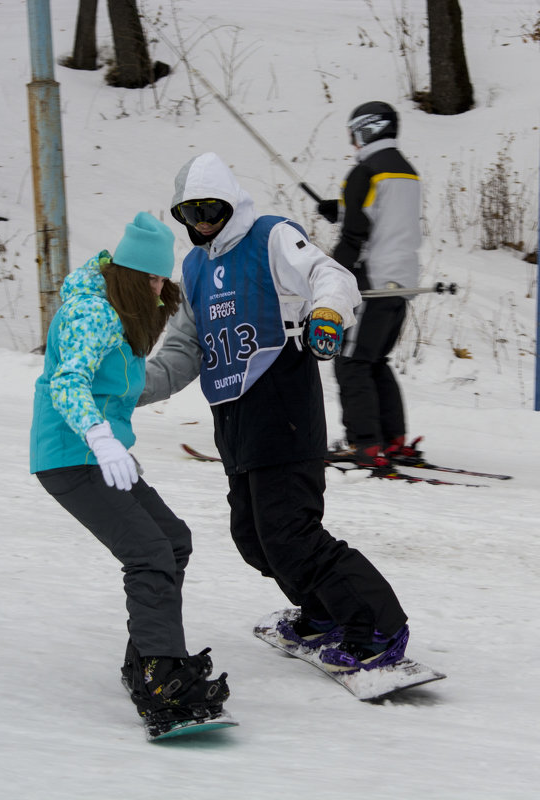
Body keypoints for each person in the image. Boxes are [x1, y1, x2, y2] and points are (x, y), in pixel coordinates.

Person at [137, 152, 410, 672]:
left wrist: (326, 311)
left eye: (211, 209)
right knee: (254, 537)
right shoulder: (194, 267)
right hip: (232, 418)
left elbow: (331, 276)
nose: (202, 222)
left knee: (291, 531)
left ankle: (378, 626)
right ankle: (324, 612)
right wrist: (131, 388)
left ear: (229, 202)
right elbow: (183, 349)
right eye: (190, 214)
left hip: (281, 397)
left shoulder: (270, 236)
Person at [29, 211, 229, 722]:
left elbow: (113, 389)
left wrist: (113, 442)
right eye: (154, 278)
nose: (161, 289)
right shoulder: (91, 312)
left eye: (164, 278)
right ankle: (160, 682)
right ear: (132, 275)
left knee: (173, 541)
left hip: (102, 456)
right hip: (72, 456)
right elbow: (67, 382)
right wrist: (100, 438)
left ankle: (146, 660)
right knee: (148, 554)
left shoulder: (117, 312)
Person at [316, 100, 424, 469]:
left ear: (367, 129)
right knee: (375, 360)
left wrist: (329, 278)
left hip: (372, 282)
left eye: (353, 135)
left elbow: (355, 235)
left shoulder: (365, 171)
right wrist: (341, 208)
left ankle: (364, 444)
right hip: (402, 281)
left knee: (350, 362)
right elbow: (384, 218)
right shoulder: (405, 171)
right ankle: (392, 440)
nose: (353, 144)